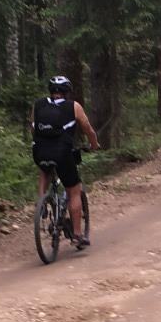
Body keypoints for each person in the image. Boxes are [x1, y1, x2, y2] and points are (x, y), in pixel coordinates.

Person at [30, 76, 100, 248]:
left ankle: (42, 203)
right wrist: (94, 144)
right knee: (74, 191)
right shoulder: (73, 106)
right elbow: (88, 128)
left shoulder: (38, 105)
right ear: (67, 92)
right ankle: (77, 234)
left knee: (45, 169)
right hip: (62, 153)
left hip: (39, 151)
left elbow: (33, 127)